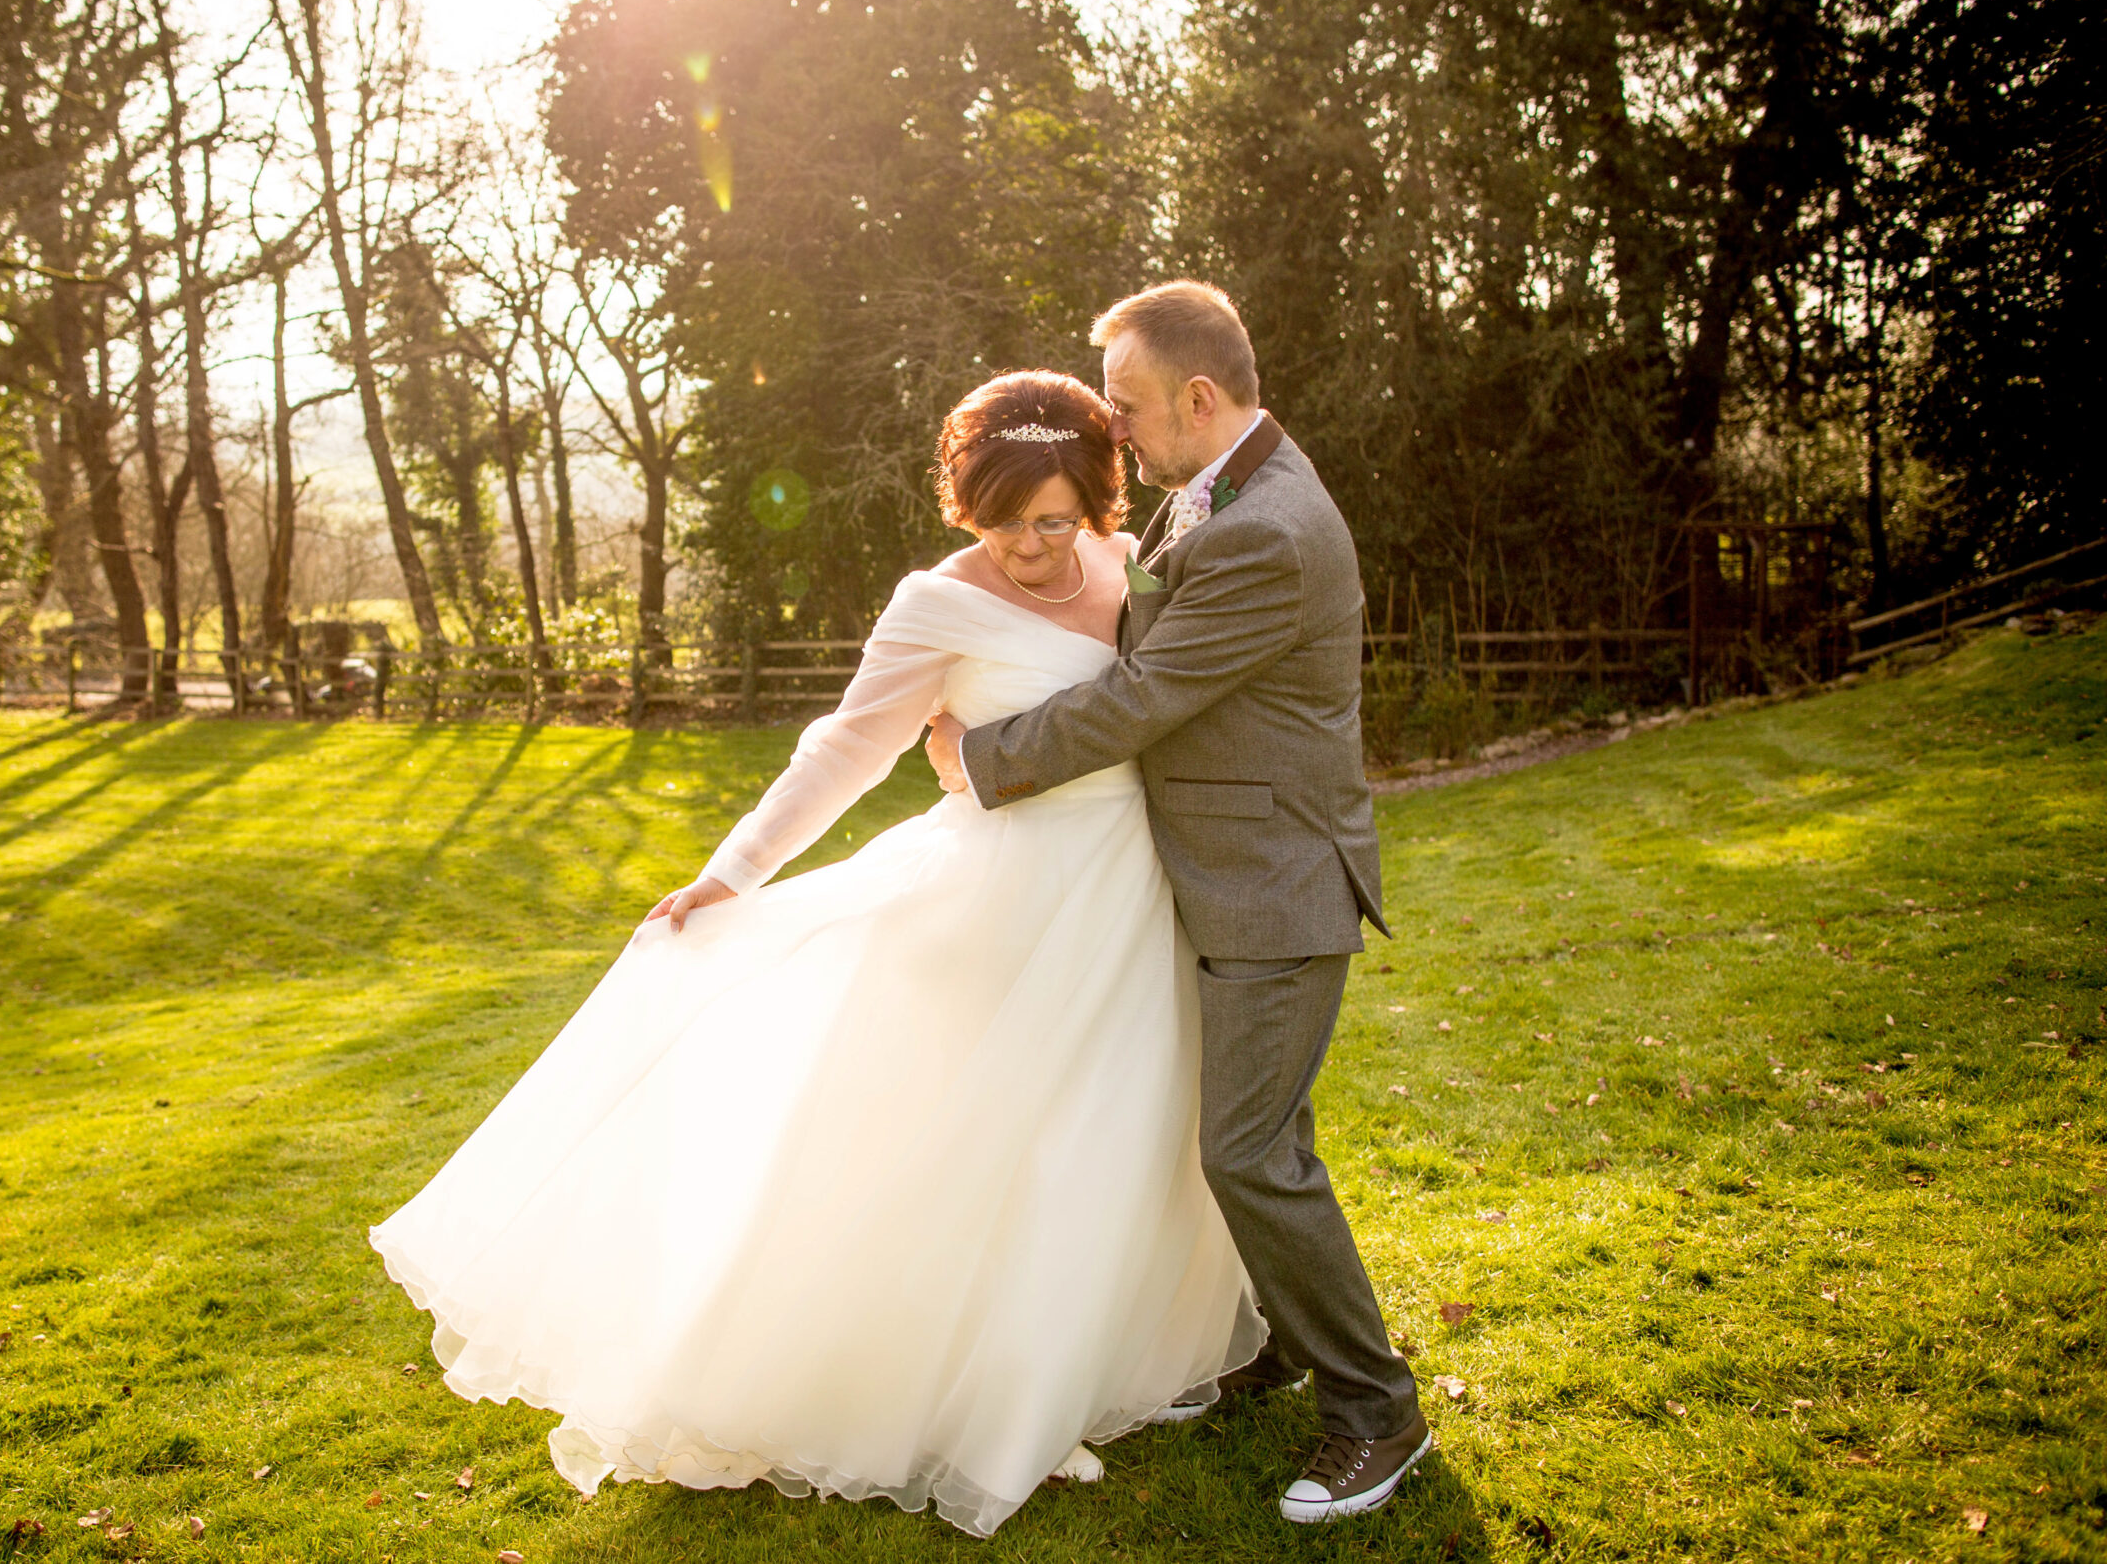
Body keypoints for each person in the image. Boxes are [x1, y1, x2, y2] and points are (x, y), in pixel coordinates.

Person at [369, 371, 1264, 1538]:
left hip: (1133, 894)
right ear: (968, 509)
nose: (1033, 548)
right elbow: (846, 746)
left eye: (1055, 521)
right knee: (1003, 1147)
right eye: (1005, 524)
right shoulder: (936, 603)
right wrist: (734, 871)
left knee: (1116, 1139)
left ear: (1094, 502)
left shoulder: (1130, 565)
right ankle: (997, 1415)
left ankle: (1069, 1377)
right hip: (1007, 903)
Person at [926, 281, 1427, 1524]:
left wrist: (981, 758)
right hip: (1215, 874)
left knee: (1249, 1153)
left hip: (1272, 885)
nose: (1113, 428)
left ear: (1199, 398)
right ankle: (1276, 1344)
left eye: (1128, 405)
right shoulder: (1216, 489)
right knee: (1247, 1141)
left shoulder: (1268, 531)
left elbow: (1143, 696)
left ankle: (1377, 1413)